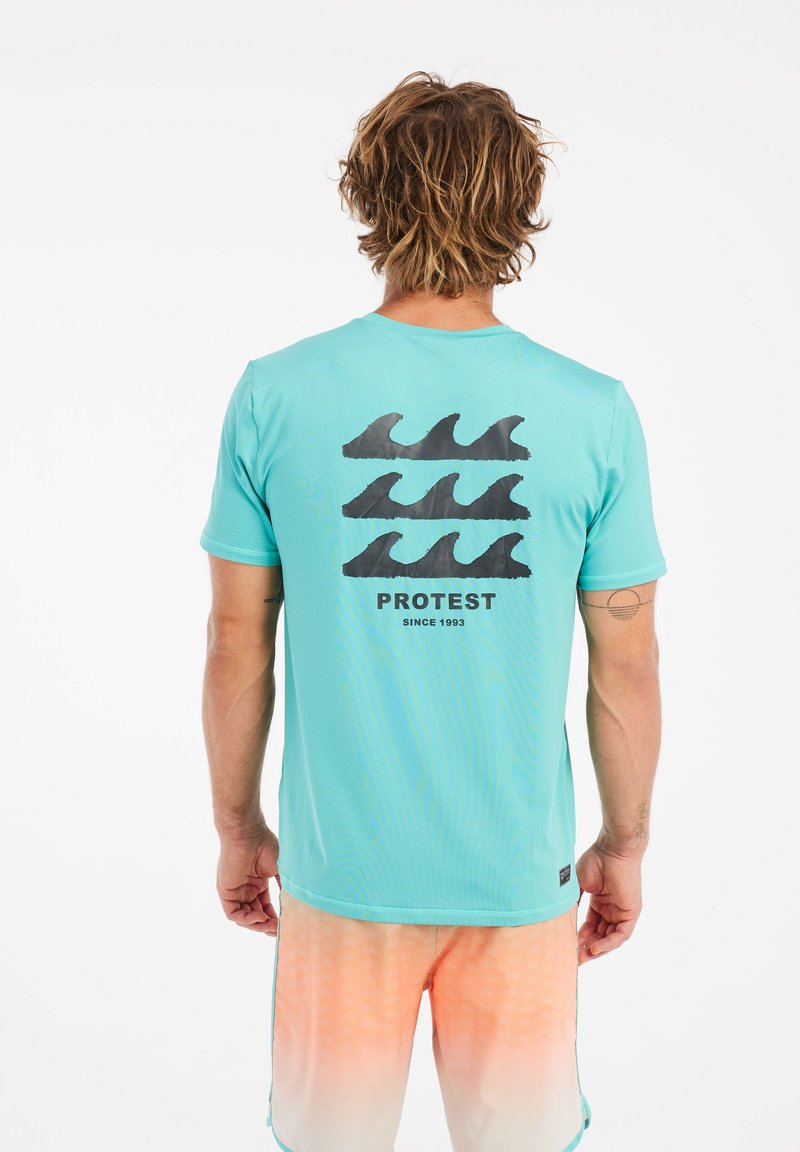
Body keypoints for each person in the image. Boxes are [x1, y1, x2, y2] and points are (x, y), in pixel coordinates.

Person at [200, 70, 666, 1152]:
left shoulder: (276, 394)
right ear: (519, 208)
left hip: (339, 880)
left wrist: (237, 829)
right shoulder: (592, 413)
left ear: (369, 196)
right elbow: (628, 660)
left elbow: (236, 638)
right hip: (516, 878)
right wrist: (624, 844)